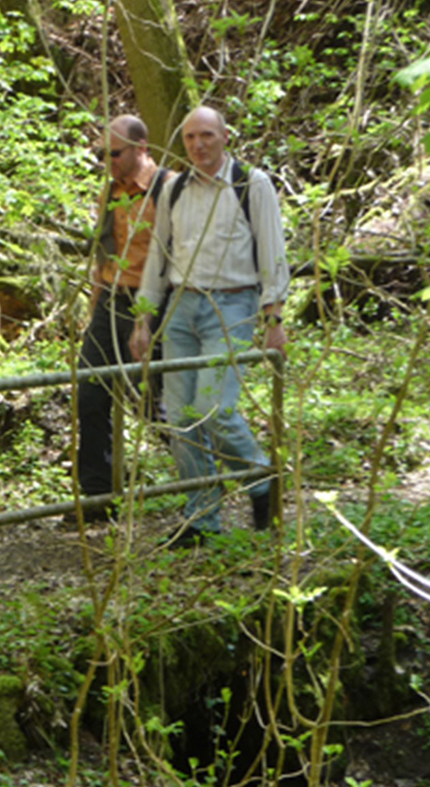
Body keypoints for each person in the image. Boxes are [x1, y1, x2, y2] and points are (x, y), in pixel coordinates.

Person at [129, 106, 290, 547]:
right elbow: (158, 258)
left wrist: (274, 319)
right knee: (180, 417)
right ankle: (201, 519)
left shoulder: (251, 184)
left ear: (224, 136)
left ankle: (261, 478)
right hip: (180, 306)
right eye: (190, 139)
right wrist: (144, 319)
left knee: (214, 407)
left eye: (206, 136)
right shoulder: (174, 189)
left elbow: (273, 253)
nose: (199, 145)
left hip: (233, 304)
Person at [75, 115, 172, 521]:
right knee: (90, 394)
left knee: (156, 405)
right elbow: (104, 252)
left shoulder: (168, 189)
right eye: (103, 154)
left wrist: (148, 319)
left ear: (141, 148)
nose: (108, 160)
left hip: (153, 306)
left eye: (114, 153)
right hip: (110, 300)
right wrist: (94, 305)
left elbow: (174, 258)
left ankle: (206, 479)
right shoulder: (109, 192)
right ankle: (98, 495)